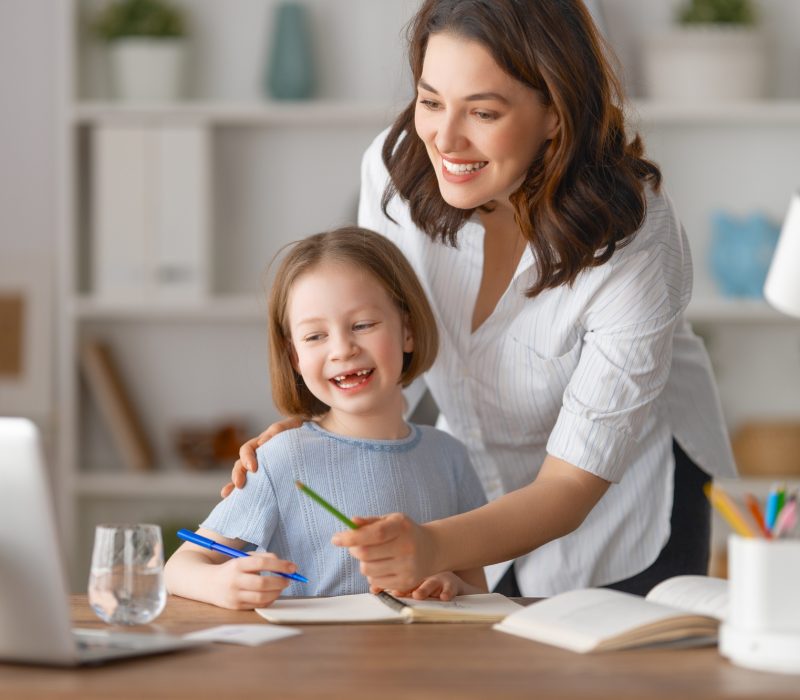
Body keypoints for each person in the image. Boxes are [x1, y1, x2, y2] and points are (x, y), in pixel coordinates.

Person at [223, 0, 736, 598]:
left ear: (554, 112)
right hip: (472, 492)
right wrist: (321, 431)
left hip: (628, 503)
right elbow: (386, 347)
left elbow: (570, 486)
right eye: (431, 100)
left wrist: (435, 545)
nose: (444, 137)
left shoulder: (632, 237)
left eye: (483, 112)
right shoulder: (395, 175)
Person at [165, 227, 488, 609]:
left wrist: (450, 585)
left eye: (363, 325)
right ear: (294, 359)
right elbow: (180, 566)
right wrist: (221, 583)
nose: (342, 349)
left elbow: (478, 590)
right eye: (315, 336)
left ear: (408, 330)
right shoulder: (281, 459)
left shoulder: (450, 458)